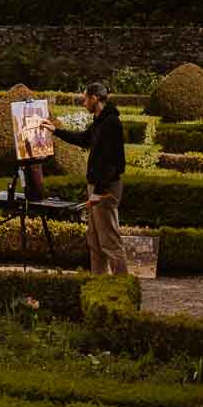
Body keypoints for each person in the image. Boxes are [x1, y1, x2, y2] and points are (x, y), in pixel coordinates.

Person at [41, 83, 128, 275]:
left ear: (94, 98)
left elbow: (112, 162)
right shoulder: (100, 121)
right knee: (95, 240)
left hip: (105, 190)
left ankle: (123, 283)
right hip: (97, 187)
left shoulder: (111, 123)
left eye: (85, 98)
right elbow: (82, 139)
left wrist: (99, 192)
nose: (83, 102)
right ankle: (100, 282)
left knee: (110, 241)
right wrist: (55, 130)